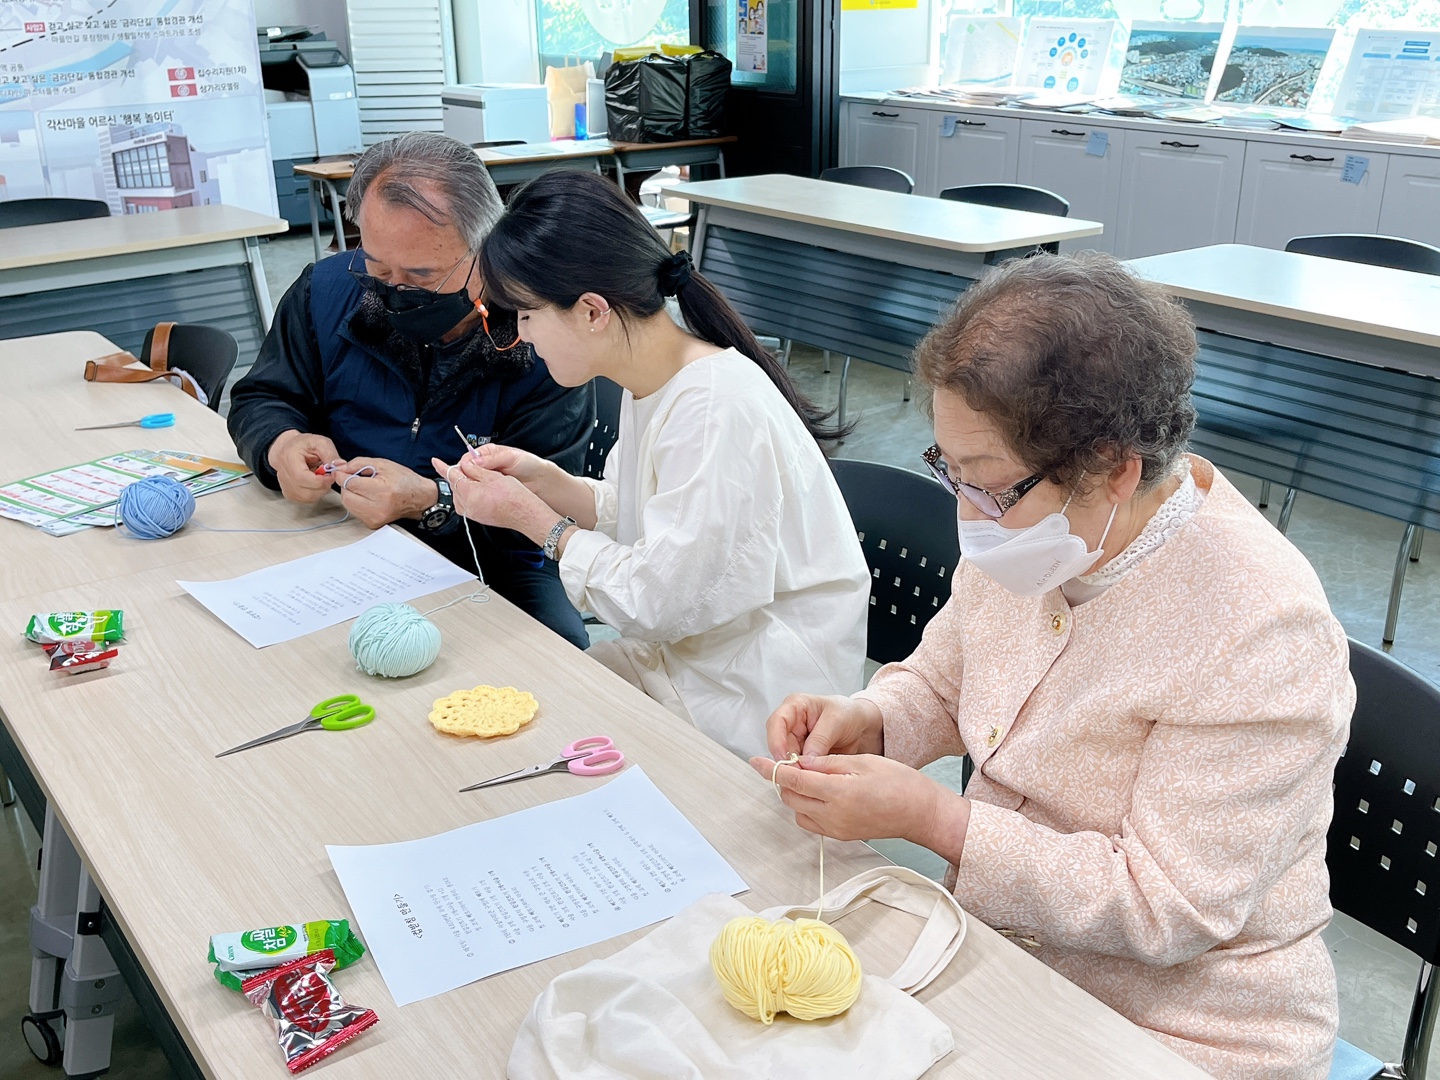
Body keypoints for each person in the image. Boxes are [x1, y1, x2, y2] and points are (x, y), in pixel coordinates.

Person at [755, 253, 1355, 1080]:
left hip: (1184, 1033)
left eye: (990, 486)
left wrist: (936, 821)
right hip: (1013, 966)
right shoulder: (1038, 534)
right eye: (949, 470)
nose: (967, 511)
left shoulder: (1259, 631)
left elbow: (1166, 905)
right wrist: (876, 719)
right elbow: (945, 678)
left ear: (1115, 470)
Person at [434, 170, 870, 760]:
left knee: (538, 747)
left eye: (527, 315)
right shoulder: (656, 381)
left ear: (592, 311)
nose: (522, 338)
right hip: (697, 662)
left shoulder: (714, 406)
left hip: (759, 704)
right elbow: (652, 522)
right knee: (521, 714)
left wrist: (539, 523)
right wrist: (554, 486)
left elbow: (658, 600)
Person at [227, 132, 592, 649]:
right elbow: (263, 396)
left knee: (559, 660)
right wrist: (279, 445)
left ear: (486, 247)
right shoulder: (326, 292)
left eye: (423, 274)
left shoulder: (542, 336)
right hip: (343, 537)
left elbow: (549, 508)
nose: (395, 289)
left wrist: (431, 500)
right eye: (377, 267)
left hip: (493, 560)